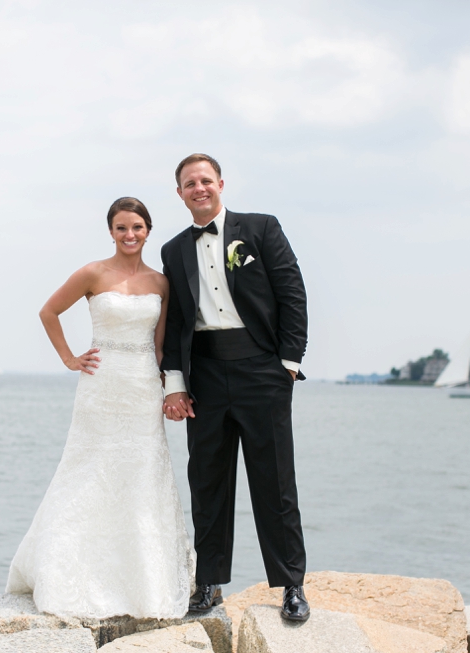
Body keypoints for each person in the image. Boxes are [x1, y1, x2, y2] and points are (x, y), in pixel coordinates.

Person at [6, 197, 194, 619]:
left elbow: (161, 345)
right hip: (101, 385)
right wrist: (70, 358)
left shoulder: (161, 283)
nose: (130, 235)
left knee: (142, 476)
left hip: (143, 385)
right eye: (122, 228)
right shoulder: (93, 272)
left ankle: (143, 581)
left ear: (148, 231)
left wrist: (171, 390)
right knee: (89, 472)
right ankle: (72, 574)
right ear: (110, 231)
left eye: (138, 228)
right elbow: (48, 311)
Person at [160, 154, 310, 622]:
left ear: (220, 183)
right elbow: (178, 322)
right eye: (189, 183)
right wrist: (176, 384)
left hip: (261, 372)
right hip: (204, 374)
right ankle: (208, 584)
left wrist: (288, 363)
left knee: (275, 482)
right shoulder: (172, 250)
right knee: (206, 482)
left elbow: (291, 292)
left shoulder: (261, 228)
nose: (199, 188)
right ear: (180, 193)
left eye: (206, 180)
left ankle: (291, 586)